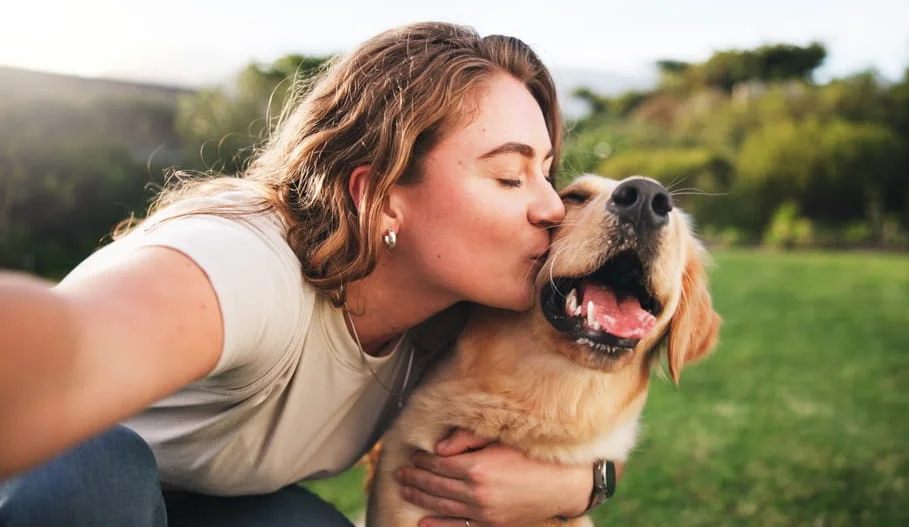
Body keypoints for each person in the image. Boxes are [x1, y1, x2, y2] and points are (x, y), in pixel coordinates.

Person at [0, 21, 615, 527]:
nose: (552, 207)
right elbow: (69, 344)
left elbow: (565, 407)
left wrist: (584, 484)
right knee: (93, 467)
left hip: (198, 504)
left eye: (545, 171)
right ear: (380, 196)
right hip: (50, 490)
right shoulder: (243, 265)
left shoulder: (456, 313)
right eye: (510, 177)